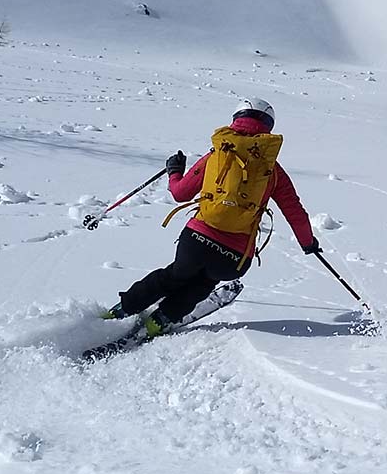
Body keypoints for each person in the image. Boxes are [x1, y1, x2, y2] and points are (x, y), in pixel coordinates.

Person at [102, 97, 319, 339]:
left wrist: (175, 172)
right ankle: (159, 322)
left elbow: (180, 193)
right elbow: (295, 212)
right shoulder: (273, 171)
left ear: (236, 119)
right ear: (269, 126)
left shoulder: (217, 156)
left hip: (196, 240)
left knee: (172, 276)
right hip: (235, 257)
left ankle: (121, 310)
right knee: (203, 284)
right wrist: (308, 243)